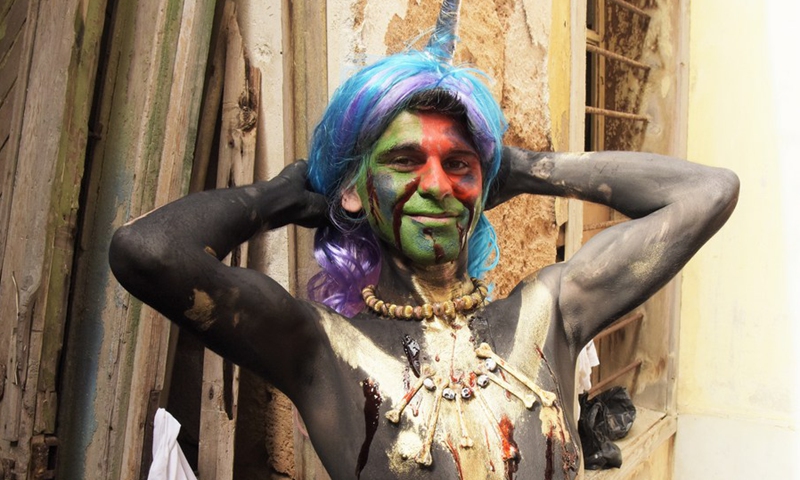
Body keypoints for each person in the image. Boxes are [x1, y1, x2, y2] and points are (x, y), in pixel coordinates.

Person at [109, 2, 739, 478]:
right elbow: (146, 252)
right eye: (406, 161)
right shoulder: (321, 349)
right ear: (354, 191)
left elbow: (707, 194)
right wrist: (279, 196)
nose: (437, 185)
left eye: (459, 165)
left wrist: (519, 167)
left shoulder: (550, 314)